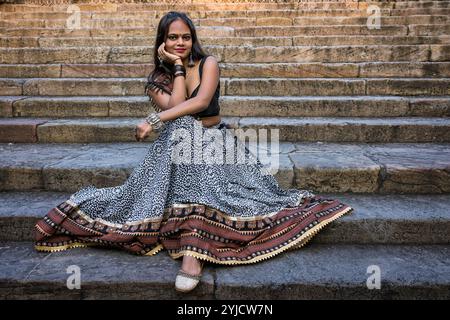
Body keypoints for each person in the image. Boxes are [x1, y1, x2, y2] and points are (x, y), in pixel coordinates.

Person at [34, 11, 354, 293]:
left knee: (188, 128)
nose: (180, 43)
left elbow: (199, 104)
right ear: (162, 41)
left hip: (217, 144)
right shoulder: (157, 81)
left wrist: (153, 119)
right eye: (172, 37)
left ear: (193, 39)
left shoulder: (208, 63)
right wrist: (175, 67)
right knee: (184, 128)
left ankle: (193, 247)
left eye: (186, 37)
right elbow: (178, 109)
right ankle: (193, 247)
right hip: (178, 149)